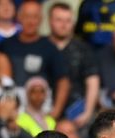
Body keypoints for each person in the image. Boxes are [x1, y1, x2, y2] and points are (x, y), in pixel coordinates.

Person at [0, 1, 69, 120]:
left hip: (41, 109)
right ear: (19, 18)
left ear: (41, 19)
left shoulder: (50, 48)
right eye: (27, 16)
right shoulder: (6, 45)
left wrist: (56, 111)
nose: (30, 21)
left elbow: (63, 81)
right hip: (11, 106)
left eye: (35, 17)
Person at [48, 2, 100, 130]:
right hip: (45, 109)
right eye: (59, 20)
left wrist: (87, 113)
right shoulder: (41, 46)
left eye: (68, 20)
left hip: (76, 111)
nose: (64, 25)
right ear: (50, 21)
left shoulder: (83, 49)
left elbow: (92, 81)